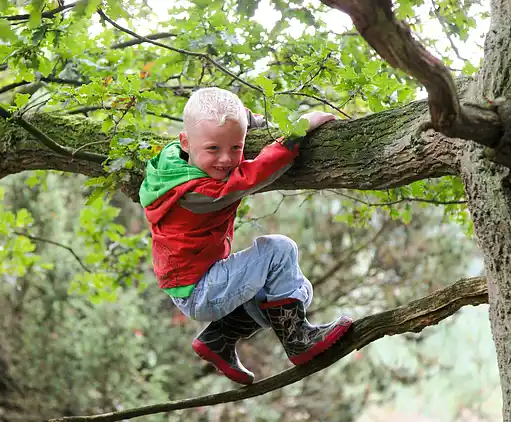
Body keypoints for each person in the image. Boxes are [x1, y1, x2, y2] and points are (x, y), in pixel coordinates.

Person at [138, 87, 352, 385]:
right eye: (213, 149)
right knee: (278, 250)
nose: (226, 160)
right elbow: (254, 175)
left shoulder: (170, 162)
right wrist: (296, 131)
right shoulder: (200, 192)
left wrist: (250, 120)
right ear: (185, 142)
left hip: (193, 285)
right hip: (202, 290)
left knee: (291, 289)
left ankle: (219, 338)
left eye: (236, 148)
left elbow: (226, 128)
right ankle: (298, 340)